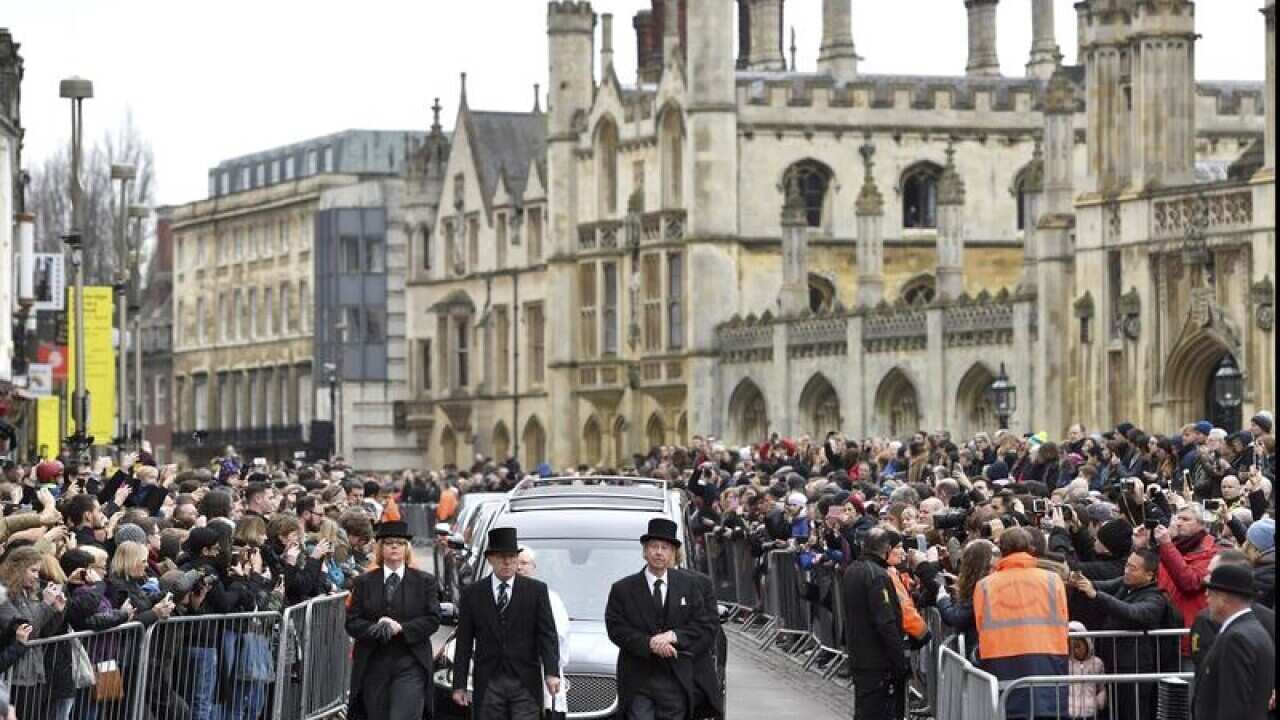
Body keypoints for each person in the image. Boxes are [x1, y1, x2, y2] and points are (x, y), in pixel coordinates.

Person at [606, 518, 714, 720]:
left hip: (676, 676)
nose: (659, 552)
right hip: (638, 676)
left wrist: (673, 636)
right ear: (645, 551)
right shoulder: (623, 588)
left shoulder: (689, 585)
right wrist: (650, 644)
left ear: (673, 554)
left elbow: (701, 623)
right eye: (654, 547)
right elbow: (616, 628)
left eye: (665, 548)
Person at [453, 527, 560, 720]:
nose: (508, 562)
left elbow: (547, 634)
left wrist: (552, 672)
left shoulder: (536, 591)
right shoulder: (473, 593)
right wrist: (459, 684)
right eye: (501, 557)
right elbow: (464, 642)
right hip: (488, 680)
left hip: (525, 679)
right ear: (490, 559)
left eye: (512, 556)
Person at [345, 520, 440, 720]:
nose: (394, 546)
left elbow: (432, 619)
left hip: (410, 662)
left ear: (407, 548)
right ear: (380, 548)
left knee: (403, 715)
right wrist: (374, 628)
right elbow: (352, 622)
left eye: (399, 542)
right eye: (389, 543)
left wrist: (402, 628)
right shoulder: (364, 582)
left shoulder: (425, 581)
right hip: (374, 662)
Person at [973, 528, 1069, 719]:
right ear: (1031, 549)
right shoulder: (1053, 580)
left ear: (1001, 550)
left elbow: (979, 622)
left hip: (1001, 661)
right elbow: (1064, 616)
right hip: (1048, 658)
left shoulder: (984, 585)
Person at [1071, 548, 1176, 719]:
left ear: (1149, 575)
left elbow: (1133, 612)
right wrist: (1081, 582)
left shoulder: (1155, 598)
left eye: (1133, 568)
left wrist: (1096, 595)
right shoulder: (1125, 584)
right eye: (1126, 565)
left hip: (1135, 670)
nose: (1127, 571)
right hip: (1113, 665)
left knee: (1132, 713)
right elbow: (1100, 586)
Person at [1192, 563, 1276, 720]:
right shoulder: (1252, 629)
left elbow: (1234, 704)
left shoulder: (1236, 638)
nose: (1206, 598)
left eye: (1210, 594)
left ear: (1223, 599)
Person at [842, 528, 908, 720]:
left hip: (859, 654)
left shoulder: (854, 570)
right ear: (886, 549)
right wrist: (899, 659)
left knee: (864, 710)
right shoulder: (877, 575)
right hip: (876, 660)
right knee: (876, 711)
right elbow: (885, 621)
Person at [516, 546, 570, 720]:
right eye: (516, 563)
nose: (519, 567)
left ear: (534, 567)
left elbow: (558, 635)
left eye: (524, 563)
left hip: (542, 671)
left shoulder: (550, 597)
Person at [1066, 621, 1106, 720]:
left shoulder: (1097, 663)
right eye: (1071, 647)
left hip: (1090, 712)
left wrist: (1100, 701)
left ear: (1087, 643)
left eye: (1078, 646)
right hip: (1070, 712)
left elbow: (1101, 687)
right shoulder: (1066, 663)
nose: (1075, 650)